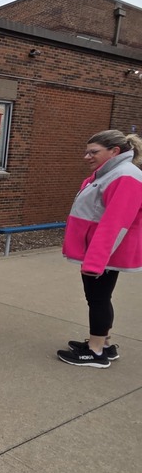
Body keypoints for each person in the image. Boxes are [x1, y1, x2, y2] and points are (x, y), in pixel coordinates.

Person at [57, 129, 142, 367]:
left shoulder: (125, 176)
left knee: (98, 299)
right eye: (86, 152)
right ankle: (103, 342)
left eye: (93, 152)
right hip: (99, 252)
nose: (87, 157)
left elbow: (115, 223)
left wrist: (95, 261)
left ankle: (95, 352)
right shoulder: (109, 173)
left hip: (103, 253)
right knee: (100, 297)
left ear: (115, 151)